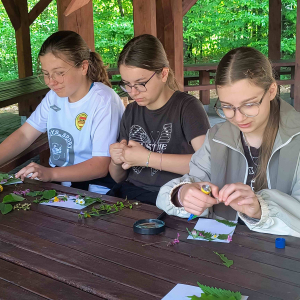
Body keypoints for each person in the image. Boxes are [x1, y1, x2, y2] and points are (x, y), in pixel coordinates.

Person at [157, 46, 300, 237]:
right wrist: (181, 195)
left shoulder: (295, 137)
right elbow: (192, 183)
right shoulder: (217, 137)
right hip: (224, 253)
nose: (238, 118)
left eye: (249, 104)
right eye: (227, 107)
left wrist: (260, 209)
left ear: (272, 90)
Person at [0, 31, 124, 193]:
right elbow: (25, 134)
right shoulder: (54, 97)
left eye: (60, 73)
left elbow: (100, 165)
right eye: (46, 74)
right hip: (58, 184)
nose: (51, 82)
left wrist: (50, 173)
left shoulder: (103, 100)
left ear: (83, 67)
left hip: (96, 188)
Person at [108, 34, 210, 205]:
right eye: (127, 84)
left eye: (141, 83)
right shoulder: (132, 111)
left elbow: (206, 164)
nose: (133, 92)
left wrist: (147, 158)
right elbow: (118, 177)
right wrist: (116, 160)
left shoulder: (187, 108)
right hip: (131, 193)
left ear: (163, 74)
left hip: (175, 197)